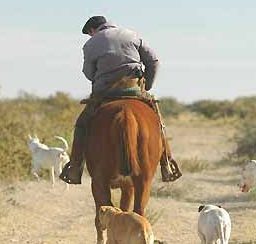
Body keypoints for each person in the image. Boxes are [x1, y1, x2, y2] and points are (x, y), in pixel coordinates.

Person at [60, 16, 181, 184]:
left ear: (92, 30)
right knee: (157, 120)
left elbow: (88, 73)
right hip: (134, 88)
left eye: (89, 34)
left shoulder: (91, 43)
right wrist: (148, 86)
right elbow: (153, 61)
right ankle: (167, 164)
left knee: (82, 123)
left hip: (105, 92)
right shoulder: (131, 34)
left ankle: (74, 168)